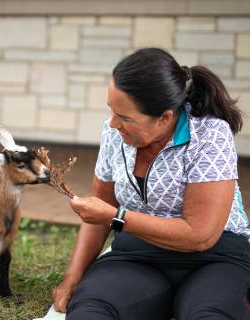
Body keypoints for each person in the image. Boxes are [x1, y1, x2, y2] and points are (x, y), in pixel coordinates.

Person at [52, 48, 250, 320]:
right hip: (139, 255)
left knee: (212, 314)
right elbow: (100, 210)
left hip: (216, 258)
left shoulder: (209, 133)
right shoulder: (114, 134)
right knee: (92, 308)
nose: (113, 124)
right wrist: (72, 277)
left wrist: (118, 217)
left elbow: (200, 235)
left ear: (164, 118)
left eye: (125, 118)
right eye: (112, 110)